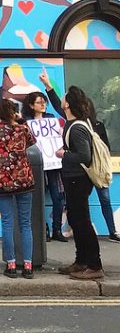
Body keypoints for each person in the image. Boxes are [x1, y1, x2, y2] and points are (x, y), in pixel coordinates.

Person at [0, 98, 36, 279]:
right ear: (14, 111)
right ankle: (28, 265)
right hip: (23, 180)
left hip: (2, 182)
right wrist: (19, 120)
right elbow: (32, 143)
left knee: (7, 222)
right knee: (25, 223)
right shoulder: (23, 129)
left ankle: (11, 264)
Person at [56, 86, 105, 280]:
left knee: (82, 221)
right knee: (76, 220)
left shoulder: (76, 128)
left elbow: (84, 155)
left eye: (63, 97)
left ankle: (94, 264)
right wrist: (48, 87)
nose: (61, 100)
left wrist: (64, 154)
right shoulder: (72, 122)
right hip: (72, 178)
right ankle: (81, 261)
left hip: (79, 179)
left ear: (67, 103)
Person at [23, 87, 66, 243]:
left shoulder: (51, 119)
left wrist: (60, 132)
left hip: (53, 164)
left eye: (44, 102)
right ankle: (43, 228)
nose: (43, 105)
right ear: (31, 105)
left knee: (58, 196)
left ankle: (57, 228)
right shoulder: (25, 122)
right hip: (35, 163)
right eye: (39, 102)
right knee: (36, 196)